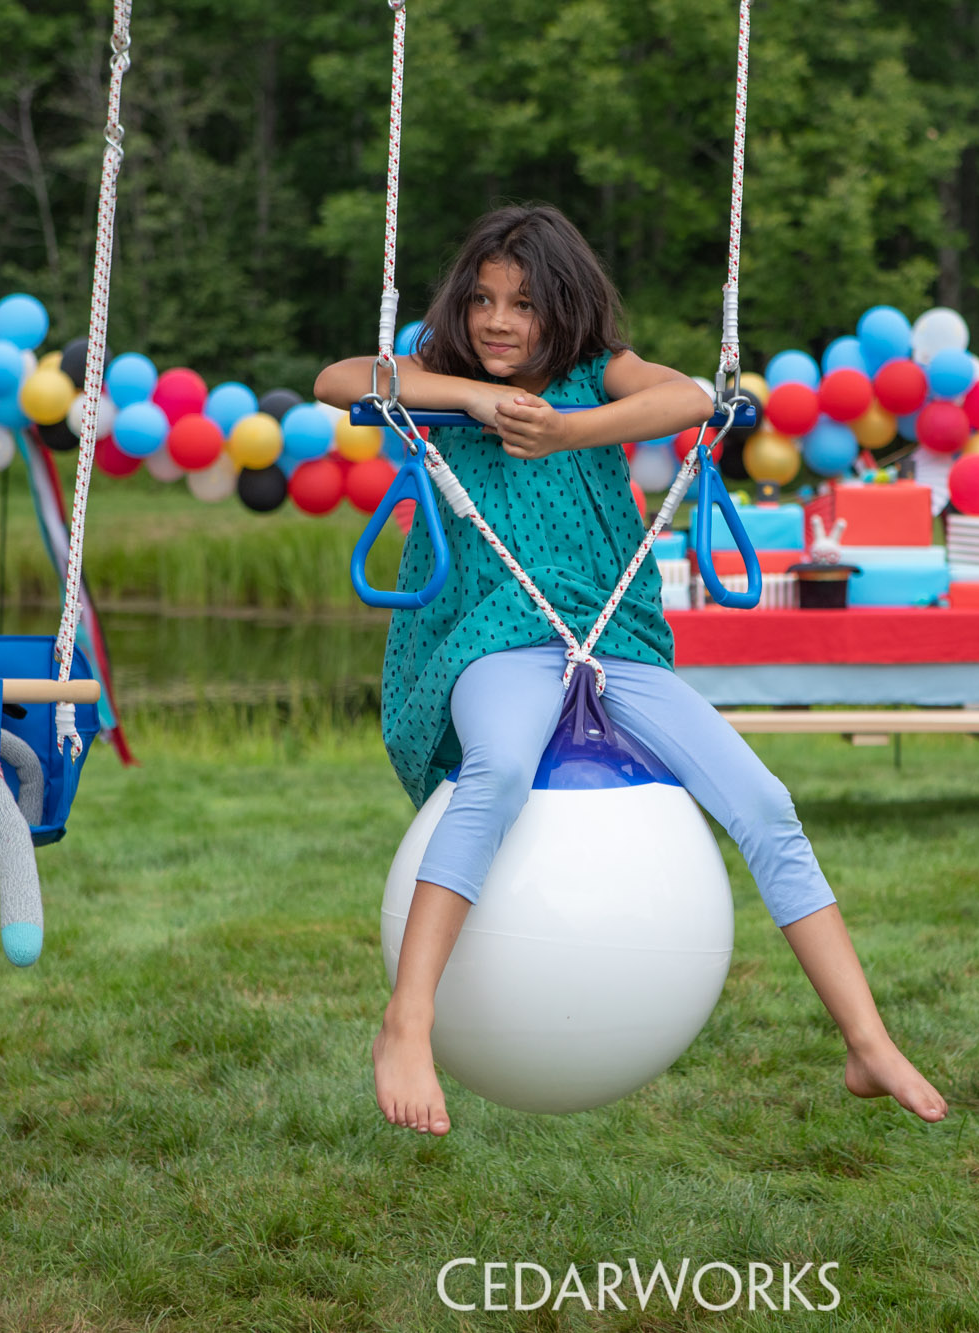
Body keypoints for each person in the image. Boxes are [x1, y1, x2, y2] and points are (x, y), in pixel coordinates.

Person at [315, 204, 947, 1136]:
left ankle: (867, 1039)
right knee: (498, 769)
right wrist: (473, 401)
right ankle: (407, 1022)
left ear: (562, 308)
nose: (498, 322)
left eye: (523, 304)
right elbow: (336, 379)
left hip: (610, 642)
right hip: (494, 640)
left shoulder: (592, 375)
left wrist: (570, 430)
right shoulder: (440, 381)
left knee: (765, 801)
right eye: (483, 300)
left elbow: (686, 395)